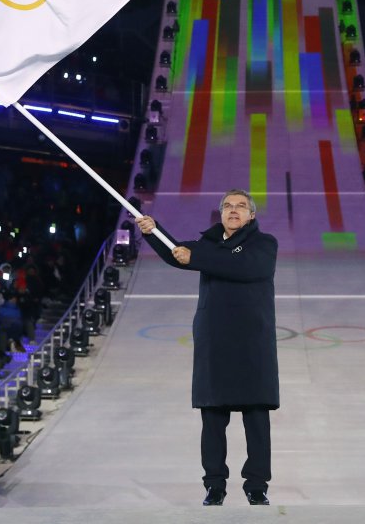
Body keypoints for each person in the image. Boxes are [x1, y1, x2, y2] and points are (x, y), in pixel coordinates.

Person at [135, 189, 279, 506]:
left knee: (256, 417)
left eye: (241, 206)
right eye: (228, 206)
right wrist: (153, 231)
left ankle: (257, 485)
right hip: (215, 340)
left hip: (252, 342)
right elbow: (177, 252)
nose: (233, 210)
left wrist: (196, 257)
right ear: (221, 213)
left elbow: (246, 268)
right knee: (212, 417)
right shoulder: (210, 244)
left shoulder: (264, 245)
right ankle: (215, 485)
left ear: (251, 215)